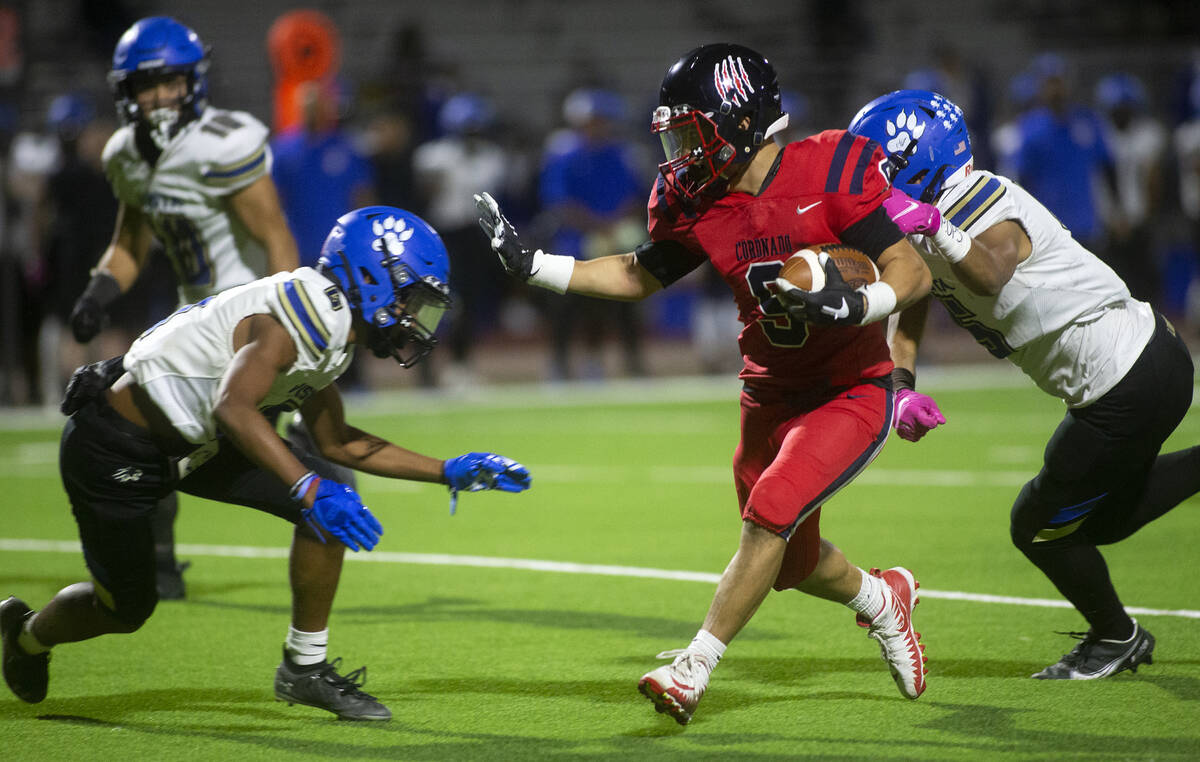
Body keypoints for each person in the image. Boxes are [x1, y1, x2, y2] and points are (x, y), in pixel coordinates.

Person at [476, 43, 932, 725]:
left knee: (771, 512)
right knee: (790, 561)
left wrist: (861, 305)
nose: (682, 153)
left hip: (849, 388)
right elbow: (638, 273)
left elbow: (912, 270)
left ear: (743, 120)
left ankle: (692, 668)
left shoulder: (830, 168)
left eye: (693, 133)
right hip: (767, 393)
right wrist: (534, 265)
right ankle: (881, 598)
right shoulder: (700, 198)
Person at [0, 205, 532, 720]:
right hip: (118, 447)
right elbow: (233, 406)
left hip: (195, 441)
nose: (417, 319)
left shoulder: (335, 325)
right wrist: (308, 488)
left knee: (327, 500)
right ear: (373, 279)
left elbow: (337, 441)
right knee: (126, 609)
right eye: (412, 299)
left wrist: (447, 470)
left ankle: (304, 668)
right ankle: (25, 636)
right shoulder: (310, 315)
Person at [848, 89, 1199, 681]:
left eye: (877, 165)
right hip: (1138, 369)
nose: (867, 180)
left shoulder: (976, 197)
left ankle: (1116, 637)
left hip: (1126, 379)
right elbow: (911, 304)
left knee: (1036, 527)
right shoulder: (923, 225)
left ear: (916, 162)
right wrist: (901, 384)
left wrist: (934, 226)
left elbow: (990, 272)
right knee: (1099, 520)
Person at [67, 17, 307, 600]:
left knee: (241, 449)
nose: (159, 96)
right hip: (191, 320)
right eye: (146, 85)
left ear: (193, 81)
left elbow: (276, 236)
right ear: (126, 91)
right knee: (148, 431)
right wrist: (98, 294)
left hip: (247, 320)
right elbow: (130, 244)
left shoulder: (222, 142)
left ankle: (320, 510)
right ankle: (160, 564)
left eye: (170, 82)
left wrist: (287, 321)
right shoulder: (126, 153)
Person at [538, 88, 647, 380]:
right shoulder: (564, 155)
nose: (599, 125)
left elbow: (637, 195)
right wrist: (598, 225)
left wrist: (614, 223)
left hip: (615, 239)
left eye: (603, 120)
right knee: (567, 305)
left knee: (624, 302)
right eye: (593, 120)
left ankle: (622, 362)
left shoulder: (621, 154)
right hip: (574, 240)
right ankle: (559, 363)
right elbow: (558, 202)